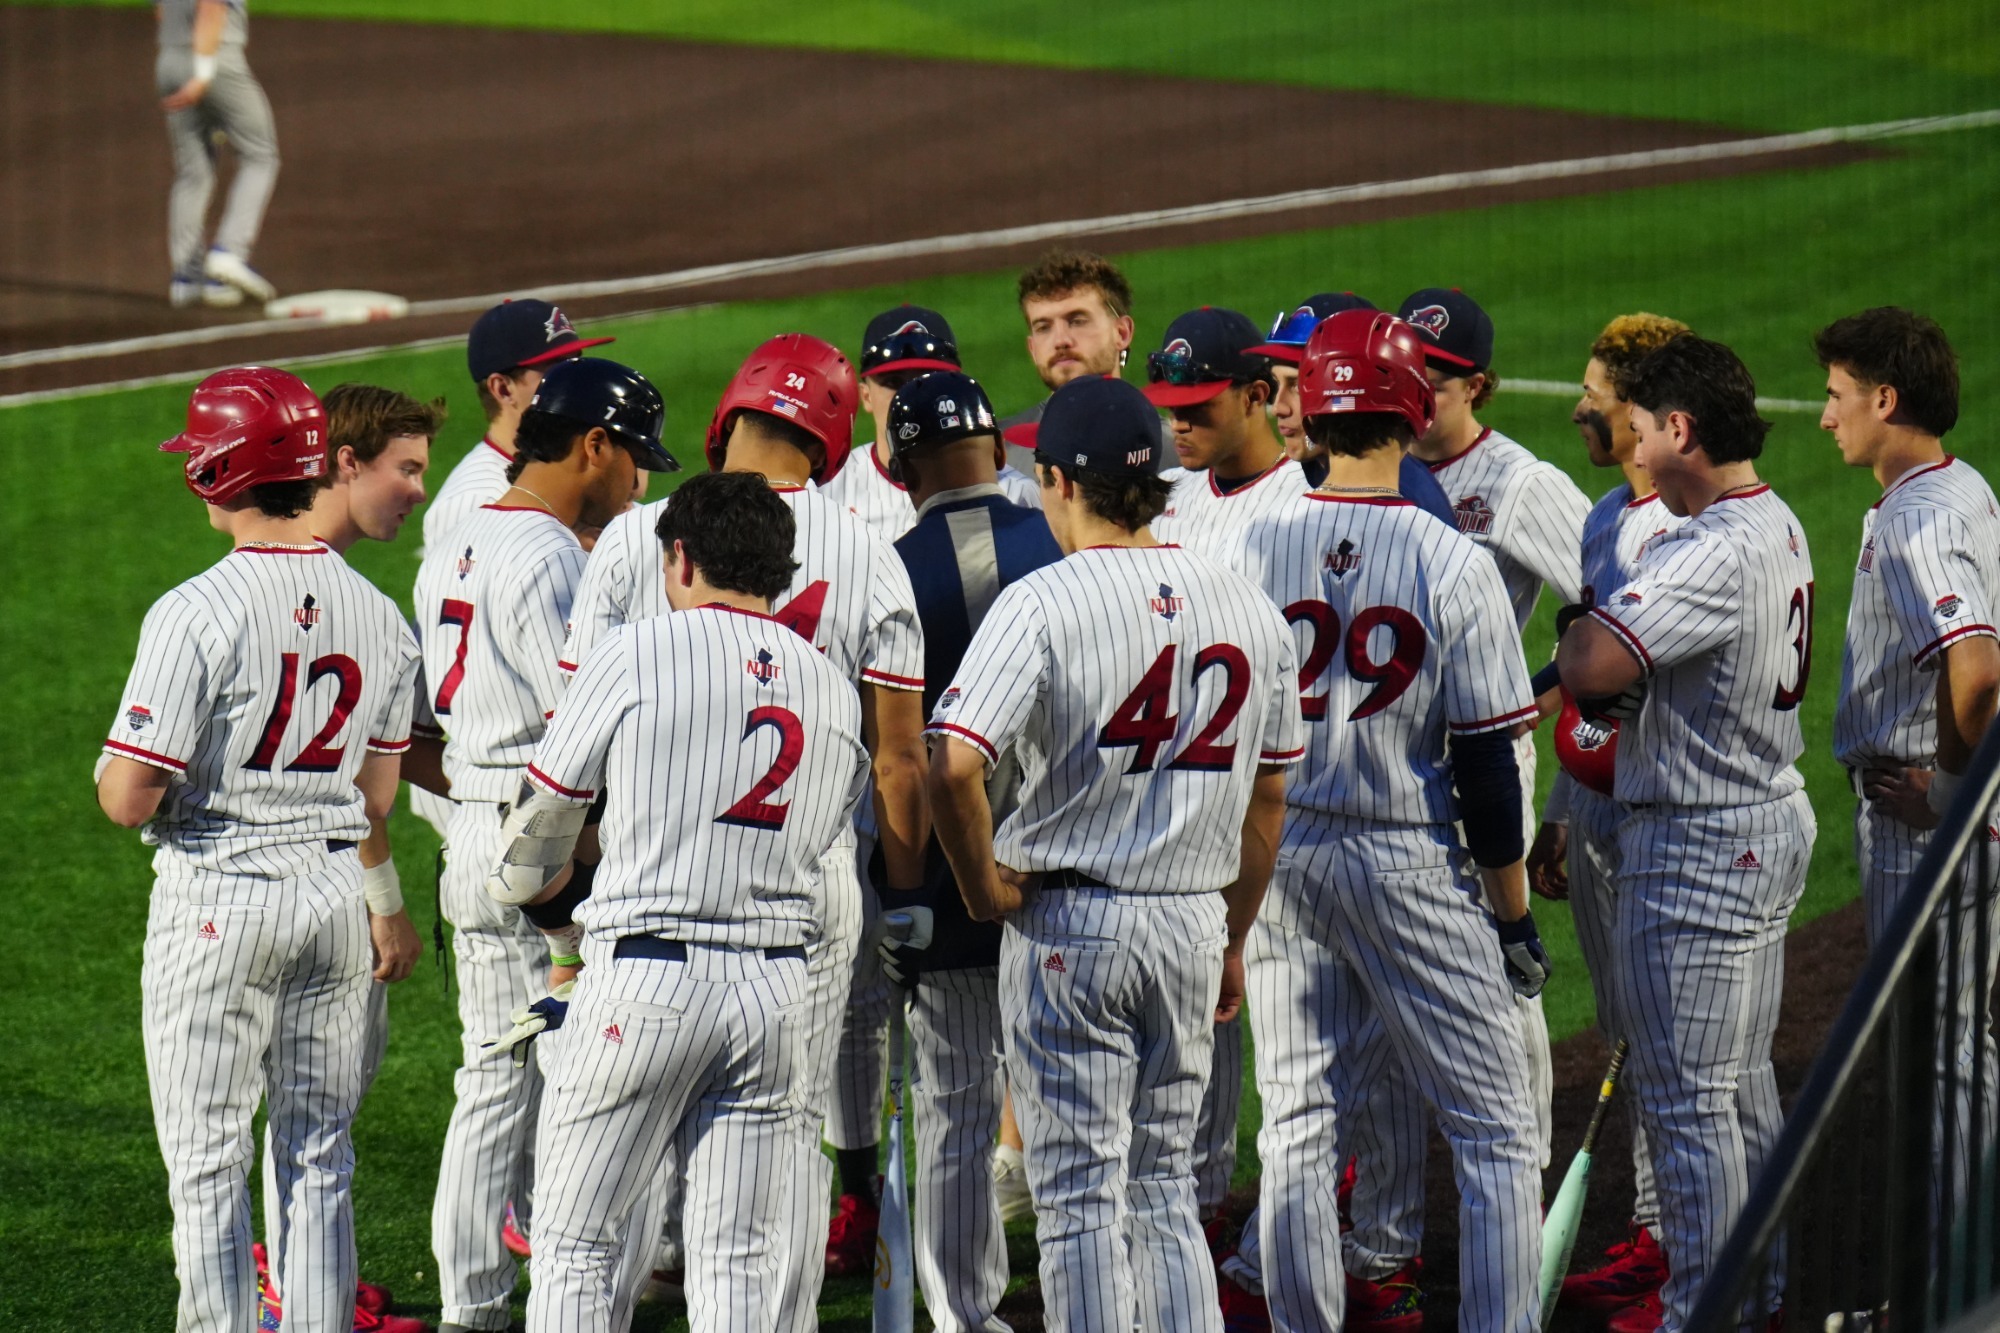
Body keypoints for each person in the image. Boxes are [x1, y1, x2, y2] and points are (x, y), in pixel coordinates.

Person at [561, 334, 927, 1326]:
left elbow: (574, 751)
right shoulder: (866, 550)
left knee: (590, 1213)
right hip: (805, 900)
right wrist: (902, 894)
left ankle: (653, 1267)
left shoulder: (639, 537)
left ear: (727, 416)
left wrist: (566, 898)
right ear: (834, 439)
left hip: (645, 893)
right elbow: (898, 758)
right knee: (768, 1171)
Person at [928, 373, 1304, 1333]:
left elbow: (952, 763)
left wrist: (982, 890)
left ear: (1054, 479)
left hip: (1071, 925)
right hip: (1189, 921)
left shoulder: (1041, 600)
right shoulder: (1246, 605)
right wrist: (1231, 937)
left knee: (1080, 1196)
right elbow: (1270, 795)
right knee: (1165, 1183)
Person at [478, 471, 871, 1333]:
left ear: (680, 557)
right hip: (776, 994)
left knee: (577, 1247)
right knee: (737, 1265)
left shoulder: (635, 652)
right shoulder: (832, 689)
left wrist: (550, 922)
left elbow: (544, 817)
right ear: (781, 570)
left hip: (645, 984)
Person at [1236, 310, 1547, 1333]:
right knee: (1496, 1127)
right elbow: (1486, 771)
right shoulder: (1449, 558)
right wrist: (1508, 917)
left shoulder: (1253, 543)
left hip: (1279, 852)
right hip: (1401, 853)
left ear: (1313, 416)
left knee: (1295, 1122)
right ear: (1411, 416)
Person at [98, 367, 421, 1333]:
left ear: (224, 468)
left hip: (220, 897)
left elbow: (127, 797)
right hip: (333, 896)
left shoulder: (195, 608)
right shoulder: (380, 613)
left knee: (207, 1159)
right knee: (319, 1152)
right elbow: (378, 796)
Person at [1318, 288, 1586, 1317]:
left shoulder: (1516, 483)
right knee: (1377, 1024)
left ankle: (1511, 1237)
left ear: (1477, 382)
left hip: (1480, 771)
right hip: (1380, 782)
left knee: (1500, 1014)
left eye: (1437, 374)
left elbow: (1603, 611)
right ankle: (1382, 1238)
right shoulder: (1375, 468)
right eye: (1408, 367)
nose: (1418, 386)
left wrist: (1521, 698)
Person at [1556, 334, 1818, 1333]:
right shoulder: (1770, 517)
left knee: (1686, 1098)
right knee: (1735, 1087)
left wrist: (1578, 626)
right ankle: (1760, 1289)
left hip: (1703, 843)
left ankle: (1706, 1308)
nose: (1628, 446)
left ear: (1680, 430)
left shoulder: (1712, 549)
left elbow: (1588, 664)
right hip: (1746, 818)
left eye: (1638, 429)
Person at [411, 358, 674, 1333]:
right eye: (633, 458)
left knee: (486, 1079)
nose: (640, 480)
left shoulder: (457, 537)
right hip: (545, 841)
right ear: (592, 446)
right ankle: (589, 1302)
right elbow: (583, 720)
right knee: (592, 1087)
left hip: (468, 825)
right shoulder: (557, 557)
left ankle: (470, 1305)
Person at [248, 383, 442, 1333]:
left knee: (302, 1106)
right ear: (341, 462)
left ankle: (295, 1270)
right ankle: (288, 1283)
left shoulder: (294, 579)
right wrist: (384, 899)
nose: (416, 489)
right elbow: (357, 785)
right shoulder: (340, 598)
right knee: (314, 1105)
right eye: (403, 468)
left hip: (262, 885)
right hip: (303, 884)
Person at [872, 370, 1063, 1333]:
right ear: (998, 447)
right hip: (1071, 872)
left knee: (953, 1102)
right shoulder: (1062, 539)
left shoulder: (889, 564)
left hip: (948, 881)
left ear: (900, 466)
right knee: (1075, 1101)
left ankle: (962, 1316)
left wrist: (903, 889)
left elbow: (902, 763)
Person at [1523, 313, 1691, 1320]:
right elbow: (1584, 695)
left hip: (1668, 811)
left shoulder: (1687, 528)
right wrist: (1555, 805)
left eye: (1594, 391)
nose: (1579, 406)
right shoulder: (1599, 517)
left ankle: (1687, 1246)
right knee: (1627, 1024)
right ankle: (1650, 1231)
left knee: (1677, 1039)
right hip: (1593, 807)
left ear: (1639, 412)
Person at [1824, 308, 2000, 1231]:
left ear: (1884, 399)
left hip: (1924, 823)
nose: (1826, 418)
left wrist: (1949, 792)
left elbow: (1975, 672)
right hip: (1958, 815)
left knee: (1938, 1054)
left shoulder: (1918, 524)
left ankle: (1953, 1285)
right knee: (1956, 1044)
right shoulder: (1956, 485)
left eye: (1837, 396)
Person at [823, 305, 1038, 539]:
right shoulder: (831, 493)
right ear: (866, 396)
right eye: (894, 382)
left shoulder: (1015, 492)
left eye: (928, 378)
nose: (911, 395)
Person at [1249, 292, 1455, 524]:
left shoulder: (1407, 500)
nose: (1278, 408)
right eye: (1277, 384)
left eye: (1298, 385)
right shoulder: (1308, 467)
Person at [158, 0, 282, 307]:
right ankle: (229, 253)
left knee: (193, 172)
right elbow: (211, 8)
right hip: (215, 61)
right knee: (260, 155)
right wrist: (202, 73)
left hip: (169, 62)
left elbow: (163, 12)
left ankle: (188, 278)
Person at [997, 247, 1169, 470]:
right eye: (1044, 328)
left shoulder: (1173, 453)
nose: (1061, 340)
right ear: (1032, 348)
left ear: (1122, 333)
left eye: (1077, 321)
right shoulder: (1002, 457)